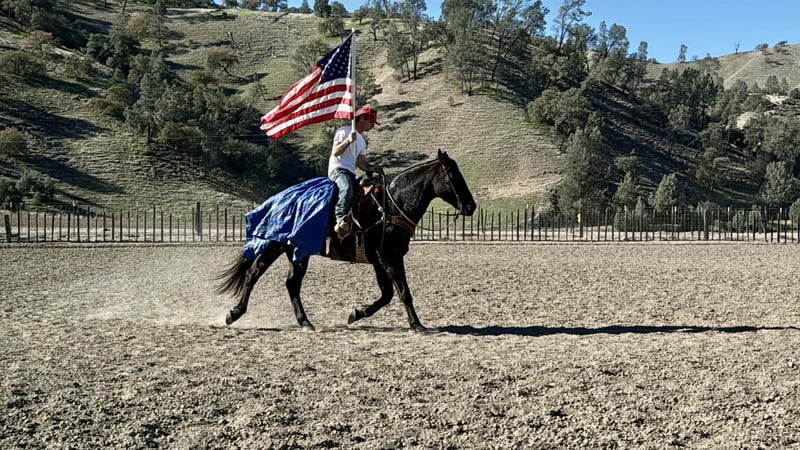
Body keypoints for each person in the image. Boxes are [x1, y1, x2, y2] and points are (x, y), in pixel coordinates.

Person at [328, 105, 382, 238]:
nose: (372, 126)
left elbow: (361, 163)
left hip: (351, 173)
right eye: (371, 121)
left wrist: (372, 168)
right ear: (363, 118)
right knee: (347, 188)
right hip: (338, 170)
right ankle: (340, 219)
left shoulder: (362, 141)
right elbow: (336, 152)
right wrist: (348, 140)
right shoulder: (344, 131)